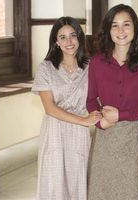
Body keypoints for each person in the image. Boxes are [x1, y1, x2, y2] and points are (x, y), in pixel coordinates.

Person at [86, 4, 138, 200]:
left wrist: (122, 115)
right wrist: (99, 122)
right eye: (114, 25)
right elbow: (91, 100)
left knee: (136, 190)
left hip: (134, 135)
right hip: (105, 136)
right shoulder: (96, 62)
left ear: (135, 28)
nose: (120, 31)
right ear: (108, 30)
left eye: (126, 24)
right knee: (105, 191)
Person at [32, 16, 101, 200]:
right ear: (56, 41)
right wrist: (84, 120)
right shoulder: (45, 68)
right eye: (62, 37)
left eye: (72, 35)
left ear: (79, 37)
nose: (68, 42)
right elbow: (50, 108)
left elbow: (101, 95)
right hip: (54, 131)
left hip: (79, 134)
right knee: (54, 184)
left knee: (78, 181)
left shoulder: (91, 67)